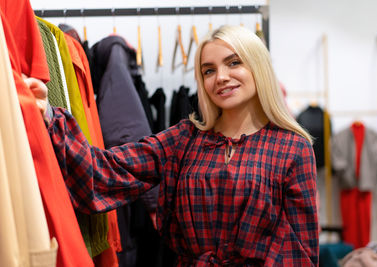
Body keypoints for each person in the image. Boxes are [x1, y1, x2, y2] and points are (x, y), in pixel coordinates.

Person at [25, 25, 319, 266]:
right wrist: (49, 113)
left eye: (233, 63)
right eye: (208, 70)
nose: (221, 77)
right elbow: (104, 173)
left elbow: (302, 251)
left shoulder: (292, 148)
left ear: (257, 67)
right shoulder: (184, 139)